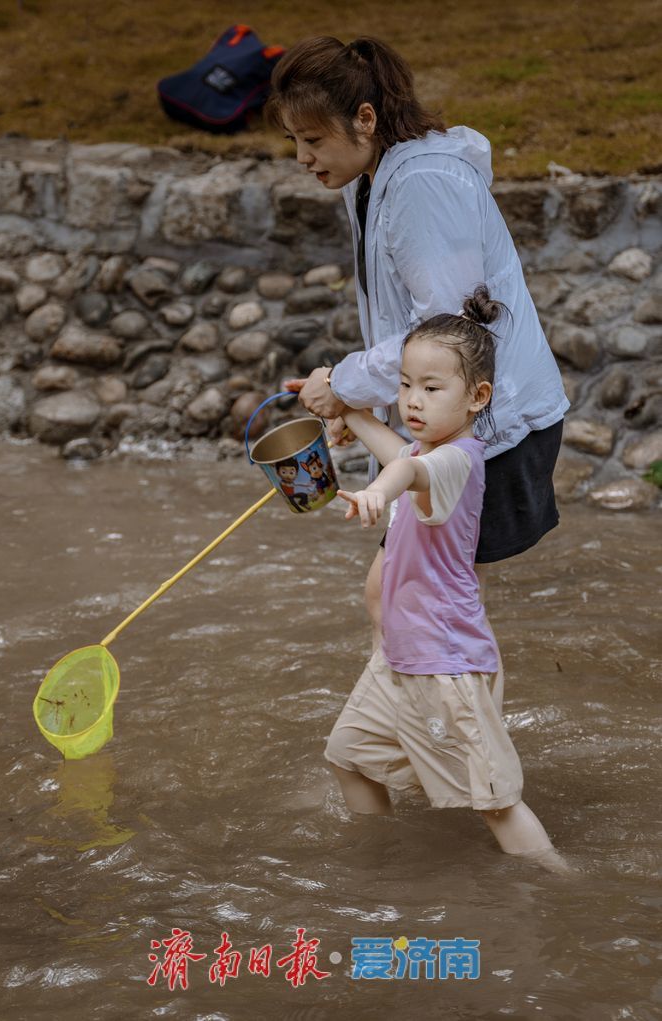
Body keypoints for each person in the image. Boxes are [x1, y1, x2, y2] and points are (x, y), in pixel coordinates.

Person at [266, 35, 569, 651]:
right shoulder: (375, 177)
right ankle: (431, 724)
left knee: (405, 594)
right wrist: (362, 404)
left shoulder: (422, 185)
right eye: (293, 140)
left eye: (313, 139)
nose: (301, 157)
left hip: (492, 421)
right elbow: (411, 321)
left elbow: (451, 333)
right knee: (409, 594)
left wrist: (346, 384)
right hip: (454, 413)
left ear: (365, 118)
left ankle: (441, 727)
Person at [325, 286, 562, 864]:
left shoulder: (458, 459)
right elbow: (398, 454)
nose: (412, 399)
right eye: (405, 384)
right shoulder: (425, 447)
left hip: (445, 662)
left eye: (432, 389)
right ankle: (383, 862)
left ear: (477, 396)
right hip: (403, 657)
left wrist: (379, 493)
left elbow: (403, 473)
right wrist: (348, 412)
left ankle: (559, 884)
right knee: (349, 756)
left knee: (496, 800)